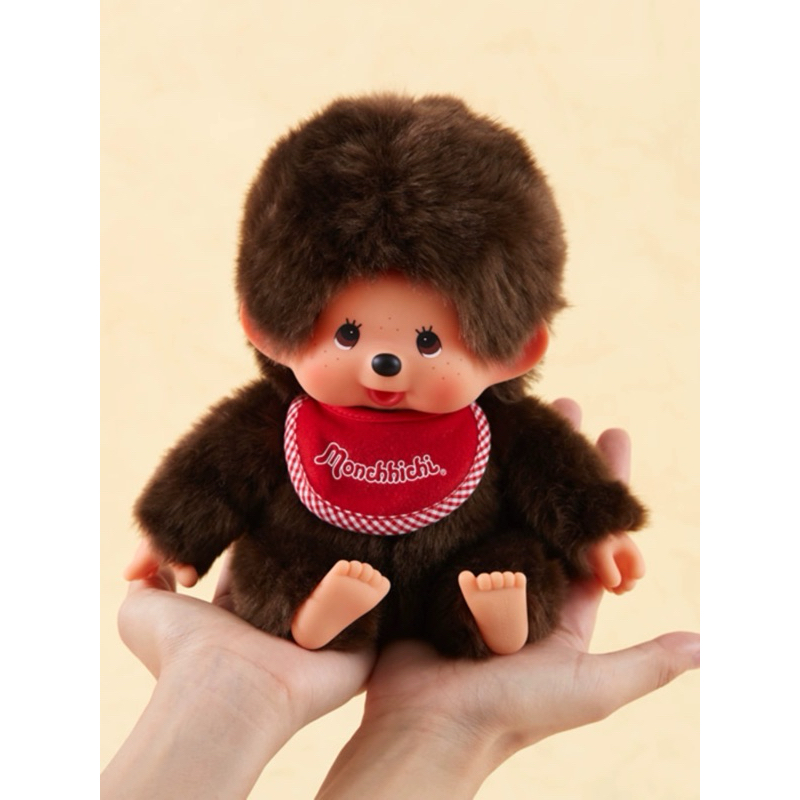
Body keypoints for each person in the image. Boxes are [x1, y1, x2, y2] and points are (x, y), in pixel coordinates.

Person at [101, 400, 699, 799]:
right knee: (272, 564)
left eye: (429, 341)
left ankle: (498, 627)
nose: (385, 363)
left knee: (516, 565)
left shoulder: (504, 423)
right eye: (347, 334)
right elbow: (215, 470)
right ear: (271, 328)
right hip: (322, 558)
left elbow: (555, 471)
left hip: (456, 571)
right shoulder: (282, 418)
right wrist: (174, 534)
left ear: (519, 346)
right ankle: (312, 619)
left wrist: (597, 532)